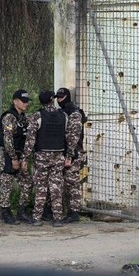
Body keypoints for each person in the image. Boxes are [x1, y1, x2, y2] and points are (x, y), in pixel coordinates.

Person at [22, 90, 75, 227]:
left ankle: (37, 217)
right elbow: (69, 138)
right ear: (53, 99)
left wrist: (25, 158)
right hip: (58, 155)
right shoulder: (63, 116)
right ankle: (57, 218)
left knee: (41, 187)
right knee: (56, 186)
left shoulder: (37, 116)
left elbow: (30, 140)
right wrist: (69, 156)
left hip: (42, 157)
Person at [0, 89, 34, 225]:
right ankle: (5, 212)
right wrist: (13, 158)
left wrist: (24, 159)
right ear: (15, 102)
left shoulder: (23, 118)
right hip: (8, 155)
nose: (26, 104)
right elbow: (7, 140)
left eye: (27, 102)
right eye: (23, 102)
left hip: (19, 155)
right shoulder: (9, 117)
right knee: (6, 183)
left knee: (27, 182)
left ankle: (22, 211)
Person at [55, 87, 87, 223]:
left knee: (72, 184)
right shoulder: (63, 112)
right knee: (66, 183)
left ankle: (74, 213)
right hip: (67, 152)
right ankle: (69, 211)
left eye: (61, 97)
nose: (59, 100)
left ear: (67, 97)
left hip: (73, 153)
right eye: (57, 97)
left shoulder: (74, 113)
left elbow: (74, 137)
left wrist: (69, 155)